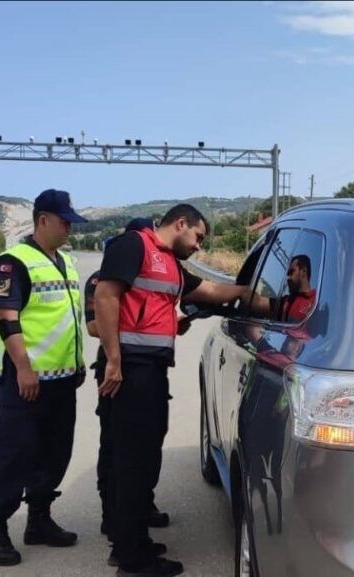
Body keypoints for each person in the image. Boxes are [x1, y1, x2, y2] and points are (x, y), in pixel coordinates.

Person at [94, 204, 245, 577]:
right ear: (181, 224)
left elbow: (208, 289)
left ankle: (131, 543)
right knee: (131, 463)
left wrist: (247, 291)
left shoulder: (168, 262)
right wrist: (114, 359)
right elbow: (105, 296)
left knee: (140, 460)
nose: (198, 247)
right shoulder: (134, 246)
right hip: (130, 370)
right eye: (197, 237)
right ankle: (132, 560)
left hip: (148, 370)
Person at [0, 189, 89, 567]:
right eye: (64, 221)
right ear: (42, 220)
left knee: (55, 453)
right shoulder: (14, 262)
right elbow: (8, 320)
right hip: (26, 380)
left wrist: (76, 364)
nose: (69, 227)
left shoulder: (67, 262)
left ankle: (39, 519)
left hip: (61, 379)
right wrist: (23, 368)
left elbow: (67, 319)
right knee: (16, 453)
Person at [84, 218, 171, 544]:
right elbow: (95, 326)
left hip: (143, 369)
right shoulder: (100, 279)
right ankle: (113, 518)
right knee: (116, 448)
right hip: (115, 370)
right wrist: (131, 329)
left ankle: (140, 507)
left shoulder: (148, 275)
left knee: (146, 448)